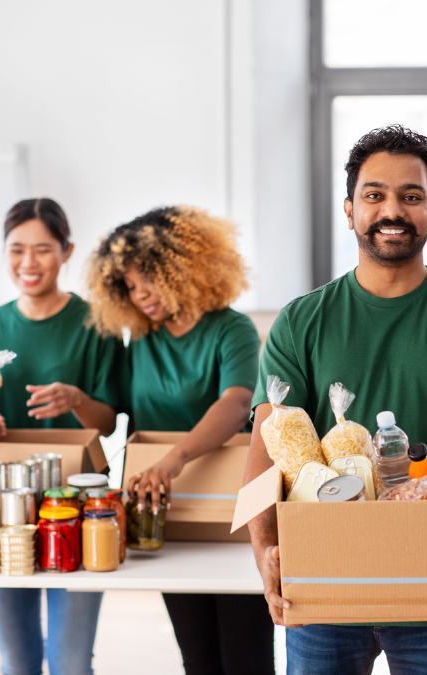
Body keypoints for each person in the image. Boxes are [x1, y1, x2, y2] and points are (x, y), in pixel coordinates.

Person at [245, 125, 427, 675]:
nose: (392, 210)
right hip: (322, 583)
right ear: (349, 210)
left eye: (410, 196)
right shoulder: (302, 321)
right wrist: (267, 557)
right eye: (374, 195)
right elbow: (266, 453)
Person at [86, 205, 275, 675]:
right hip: (167, 512)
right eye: (128, 286)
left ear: (181, 266)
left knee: (246, 657)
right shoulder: (143, 339)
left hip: (231, 510)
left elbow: (235, 404)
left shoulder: (230, 328)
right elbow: (117, 417)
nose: (139, 294)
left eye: (147, 277)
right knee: (197, 658)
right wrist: (76, 398)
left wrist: (175, 458)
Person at [0, 197, 123, 675]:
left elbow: (110, 421)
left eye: (43, 249)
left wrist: (75, 400)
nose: (28, 263)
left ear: (66, 251)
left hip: (77, 503)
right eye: (16, 250)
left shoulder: (96, 325)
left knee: (70, 662)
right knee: (17, 661)